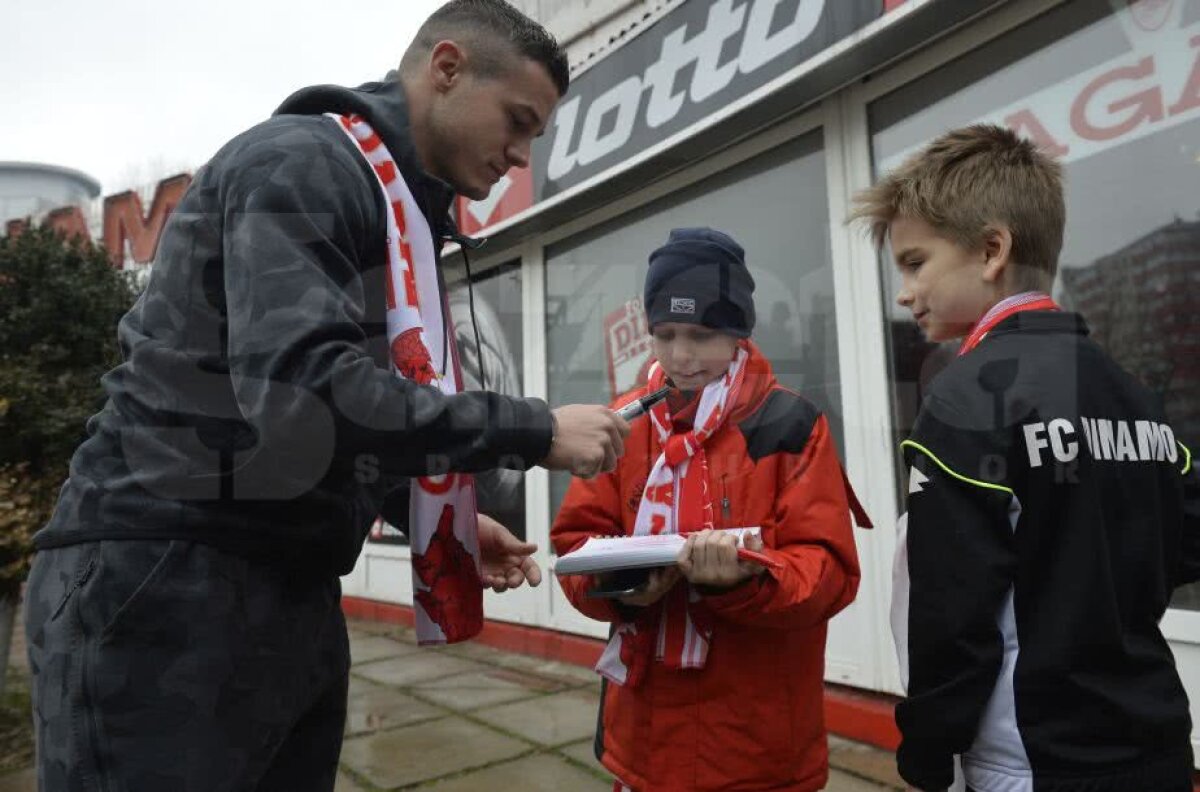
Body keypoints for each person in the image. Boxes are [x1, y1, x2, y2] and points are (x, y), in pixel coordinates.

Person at [23, 2, 630, 791]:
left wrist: (422, 508)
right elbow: (301, 396)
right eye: (517, 121)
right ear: (446, 69)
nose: (520, 156)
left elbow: (305, 426)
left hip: (283, 587)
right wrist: (533, 428)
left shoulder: (398, 215)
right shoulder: (302, 164)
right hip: (163, 580)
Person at [850, 124, 1200, 792]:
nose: (902, 292)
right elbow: (1184, 538)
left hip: (1031, 760)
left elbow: (951, 615)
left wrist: (926, 746)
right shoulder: (1127, 389)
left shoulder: (965, 397)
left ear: (991, 250)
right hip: (1155, 744)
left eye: (914, 262)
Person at [551, 227, 862, 792]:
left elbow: (832, 574)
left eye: (702, 333)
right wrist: (621, 587)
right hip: (641, 737)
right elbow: (575, 548)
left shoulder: (789, 425)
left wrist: (743, 583)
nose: (681, 356)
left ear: (740, 333)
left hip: (758, 744)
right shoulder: (623, 422)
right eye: (664, 334)